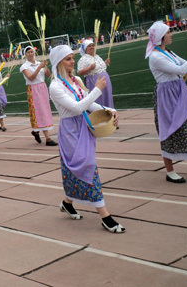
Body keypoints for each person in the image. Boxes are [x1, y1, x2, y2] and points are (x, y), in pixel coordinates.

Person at [49, 45, 125, 233]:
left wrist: (109, 110)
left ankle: (67, 203)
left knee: (78, 168)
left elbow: (89, 103)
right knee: (88, 166)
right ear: (59, 62)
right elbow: (77, 107)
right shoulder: (55, 86)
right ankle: (105, 216)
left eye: (72, 57)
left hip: (83, 127)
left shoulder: (74, 81)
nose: (72, 61)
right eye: (68, 59)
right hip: (70, 131)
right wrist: (98, 89)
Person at [146, 21, 187, 183]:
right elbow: (181, 70)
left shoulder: (168, 52)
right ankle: (170, 171)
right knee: (168, 131)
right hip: (166, 97)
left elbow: (184, 64)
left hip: (178, 92)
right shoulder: (155, 56)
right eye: (168, 32)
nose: (171, 34)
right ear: (160, 37)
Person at [20, 46, 58, 146]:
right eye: (28, 52)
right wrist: (39, 67)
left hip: (43, 88)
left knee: (45, 110)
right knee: (38, 111)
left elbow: (48, 75)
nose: (30, 53)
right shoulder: (24, 66)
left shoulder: (39, 63)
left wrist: (45, 66)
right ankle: (48, 139)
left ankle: (36, 132)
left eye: (31, 51)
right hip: (33, 89)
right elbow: (31, 78)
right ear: (25, 55)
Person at [77, 39, 114, 108]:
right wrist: (89, 68)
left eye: (92, 45)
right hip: (94, 81)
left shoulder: (96, 56)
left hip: (105, 80)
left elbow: (100, 68)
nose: (91, 47)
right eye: (89, 46)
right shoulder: (83, 59)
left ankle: (109, 113)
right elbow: (79, 72)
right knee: (99, 99)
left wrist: (105, 63)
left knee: (107, 96)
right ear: (85, 49)